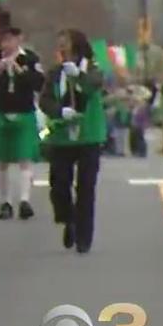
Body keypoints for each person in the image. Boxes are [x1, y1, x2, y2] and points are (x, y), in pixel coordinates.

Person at [39, 29, 106, 253]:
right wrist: (59, 111)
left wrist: (77, 74)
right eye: (59, 44)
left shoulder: (93, 70)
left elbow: (91, 86)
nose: (61, 47)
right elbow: (44, 101)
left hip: (88, 136)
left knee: (86, 188)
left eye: (65, 43)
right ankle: (68, 219)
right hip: (61, 137)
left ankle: (84, 236)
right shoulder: (54, 73)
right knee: (59, 185)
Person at [0, 24, 44, 220]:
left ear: (19, 39)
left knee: (25, 158)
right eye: (3, 40)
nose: (6, 44)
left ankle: (24, 200)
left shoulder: (29, 58)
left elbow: (39, 83)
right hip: (0, 111)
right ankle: (5, 202)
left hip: (23, 111)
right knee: (2, 160)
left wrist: (21, 71)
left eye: (10, 40)